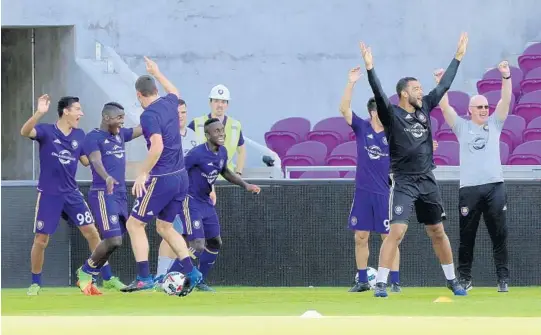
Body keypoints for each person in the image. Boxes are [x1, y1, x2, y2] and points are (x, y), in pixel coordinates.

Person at [359, 33, 470, 298]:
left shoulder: (424, 108)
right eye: (416, 88)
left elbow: (443, 87)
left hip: (426, 179)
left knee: (437, 232)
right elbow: (377, 91)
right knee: (396, 231)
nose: (421, 91)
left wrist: (457, 58)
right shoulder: (391, 113)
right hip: (404, 181)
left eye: (421, 88)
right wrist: (370, 68)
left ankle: (452, 281)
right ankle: (382, 283)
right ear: (403, 93)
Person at [120, 56, 202, 296]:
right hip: (181, 177)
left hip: (162, 177)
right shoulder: (169, 102)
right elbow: (175, 90)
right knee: (165, 227)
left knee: (134, 224)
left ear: (139, 95)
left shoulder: (148, 116)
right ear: (156, 90)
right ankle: (193, 273)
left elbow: (156, 147)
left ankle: (144, 277)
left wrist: (142, 172)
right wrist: (157, 71)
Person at [436, 60, 512, 293]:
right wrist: (440, 84)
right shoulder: (462, 127)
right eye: (479, 107)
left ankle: (502, 279)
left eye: (485, 107)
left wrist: (506, 76)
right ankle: (465, 279)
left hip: (494, 187)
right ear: (470, 110)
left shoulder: (495, 124)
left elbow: (506, 100)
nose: (483, 110)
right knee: (466, 237)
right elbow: (445, 108)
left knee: (499, 234)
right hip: (469, 189)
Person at [20, 95, 101, 296]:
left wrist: (101, 154)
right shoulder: (47, 131)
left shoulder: (80, 135)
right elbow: (25, 132)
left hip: (71, 193)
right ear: (66, 111)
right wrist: (39, 112)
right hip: (49, 194)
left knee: (92, 232)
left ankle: (101, 277)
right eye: (78, 109)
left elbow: (84, 160)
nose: (81, 113)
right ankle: (36, 282)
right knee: (41, 240)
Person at [176, 118, 260, 292]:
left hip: (206, 202)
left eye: (222, 130)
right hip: (190, 200)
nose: (221, 134)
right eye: (216, 131)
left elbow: (225, 171)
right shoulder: (196, 154)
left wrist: (246, 185)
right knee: (197, 243)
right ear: (207, 135)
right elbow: (179, 170)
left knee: (214, 243)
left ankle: (199, 281)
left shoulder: (222, 152)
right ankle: (170, 277)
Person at [338, 67, 401, 293]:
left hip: (384, 193)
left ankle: (394, 281)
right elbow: (344, 108)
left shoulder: (392, 134)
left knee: (388, 236)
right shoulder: (362, 127)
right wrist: (351, 82)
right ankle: (363, 280)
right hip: (363, 192)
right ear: (373, 112)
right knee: (361, 236)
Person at [75, 102, 143, 295]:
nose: (122, 121)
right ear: (106, 118)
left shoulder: (120, 134)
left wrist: (154, 114)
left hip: (120, 194)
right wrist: (107, 178)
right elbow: (95, 160)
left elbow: (140, 129)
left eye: (123, 117)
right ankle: (86, 271)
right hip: (103, 193)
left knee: (117, 240)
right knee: (113, 240)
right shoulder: (93, 137)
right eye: (118, 117)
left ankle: (89, 272)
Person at [154, 99, 200, 285]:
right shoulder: (166, 134)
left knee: (182, 234)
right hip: (170, 189)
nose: (180, 116)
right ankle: (161, 274)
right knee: (169, 230)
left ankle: (171, 275)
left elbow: (200, 163)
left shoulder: (194, 136)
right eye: (177, 113)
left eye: (183, 113)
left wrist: (210, 188)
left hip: (189, 192)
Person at [188, 85, 246, 177]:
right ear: (210, 103)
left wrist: (238, 173)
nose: (220, 105)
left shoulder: (235, 125)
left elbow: (242, 151)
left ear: (227, 104)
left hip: (226, 181)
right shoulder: (196, 124)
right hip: (201, 180)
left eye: (223, 102)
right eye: (216, 101)